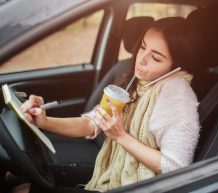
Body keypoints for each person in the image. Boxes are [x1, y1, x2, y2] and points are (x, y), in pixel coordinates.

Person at [17, 17, 201, 193]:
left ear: (177, 65)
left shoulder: (176, 94)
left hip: (141, 186)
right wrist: (44, 121)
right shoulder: (141, 81)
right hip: (114, 173)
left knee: (26, 189)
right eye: (143, 47)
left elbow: (175, 166)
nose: (141, 59)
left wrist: (120, 136)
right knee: (25, 180)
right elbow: (93, 123)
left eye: (156, 58)